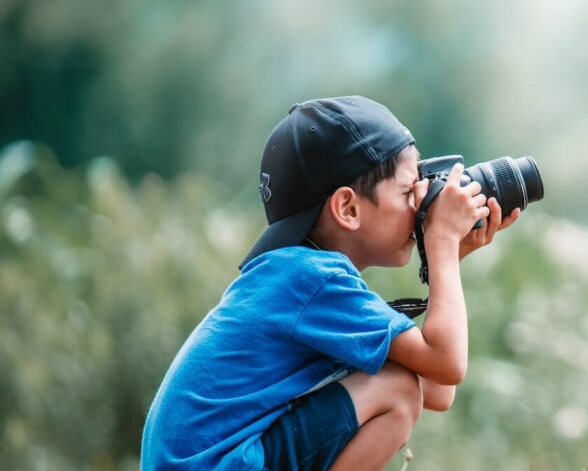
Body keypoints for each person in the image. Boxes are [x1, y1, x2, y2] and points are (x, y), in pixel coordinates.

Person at [141, 96, 519, 470]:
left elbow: (436, 388)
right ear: (348, 209)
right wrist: (440, 241)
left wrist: (447, 257)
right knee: (396, 391)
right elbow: (445, 366)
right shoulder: (312, 280)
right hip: (219, 464)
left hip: (214, 461)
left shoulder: (297, 277)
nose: (420, 204)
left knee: (401, 384)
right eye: (408, 191)